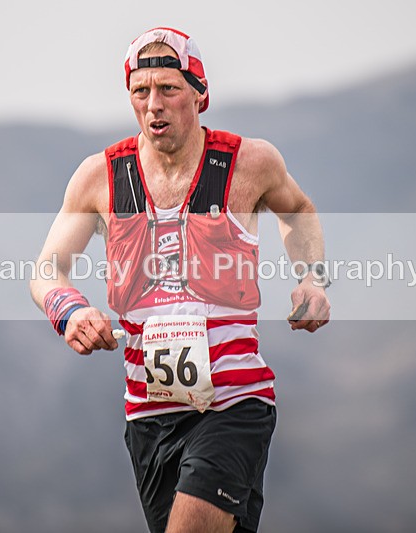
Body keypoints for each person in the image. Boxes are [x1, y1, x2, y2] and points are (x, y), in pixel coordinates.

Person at [30, 27, 331, 533]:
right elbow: (46, 270)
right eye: (140, 92)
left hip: (234, 405)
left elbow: (298, 210)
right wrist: (70, 310)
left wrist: (313, 280)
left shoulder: (249, 163)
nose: (154, 106)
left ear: (200, 94)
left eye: (169, 89)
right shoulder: (99, 177)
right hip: (148, 416)